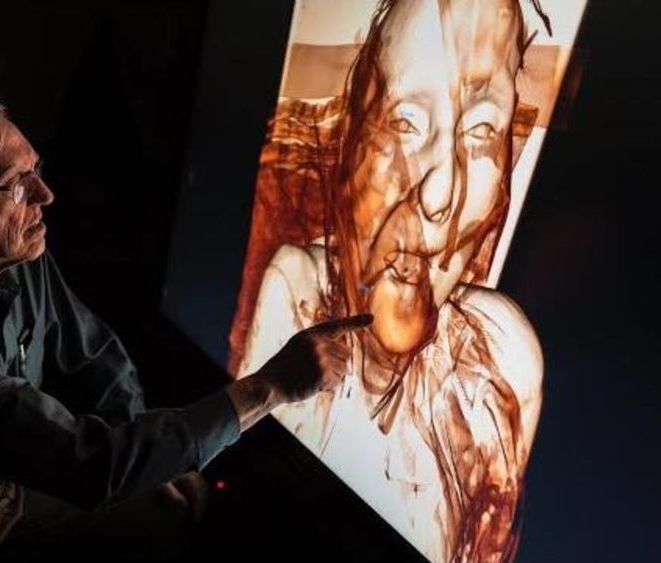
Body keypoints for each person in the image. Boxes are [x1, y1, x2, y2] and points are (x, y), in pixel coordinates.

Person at [0, 94, 372, 562]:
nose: (46, 195)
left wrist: (158, 460)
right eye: (17, 185)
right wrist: (269, 387)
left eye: (36, 169)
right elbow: (87, 465)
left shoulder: (14, 252)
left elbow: (94, 356)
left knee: (167, 511)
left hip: (10, 492)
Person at [234, 0, 548, 561]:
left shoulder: (501, 359)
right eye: (405, 123)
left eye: (481, 130)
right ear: (354, 146)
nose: (439, 193)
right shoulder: (299, 289)